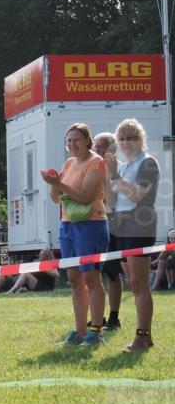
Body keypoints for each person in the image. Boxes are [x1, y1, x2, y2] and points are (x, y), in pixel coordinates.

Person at [41, 122, 108, 347]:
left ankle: (95, 330)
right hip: (68, 225)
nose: (72, 144)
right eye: (69, 140)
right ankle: (79, 331)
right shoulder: (69, 162)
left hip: (91, 224)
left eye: (76, 139)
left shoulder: (96, 162)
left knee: (91, 278)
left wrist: (59, 183)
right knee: (73, 279)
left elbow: (85, 197)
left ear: (88, 141)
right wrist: (54, 184)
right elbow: (56, 198)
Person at [104, 118, 160, 351]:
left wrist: (115, 176)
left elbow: (137, 196)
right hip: (122, 225)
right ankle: (144, 337)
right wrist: (108, 176)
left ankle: (142, 336)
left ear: (141, 140)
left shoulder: (148, 163)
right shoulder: (124, 166)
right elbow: (114, 201)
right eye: (123, 138)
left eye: (132, 138)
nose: (127, 142)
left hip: (140, 225)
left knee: (139, 283)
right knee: (133, 284)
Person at [94, 131, 123, 330]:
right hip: (94, 223)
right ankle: (97, 316)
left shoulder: (118, 169)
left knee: (112, 273)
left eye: (99, 147)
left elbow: (114, 201)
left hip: (113, 222)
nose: (95, 150)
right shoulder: (92, 166)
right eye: (94, 146)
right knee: (95, 273)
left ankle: (114, 317)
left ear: (111, 149)